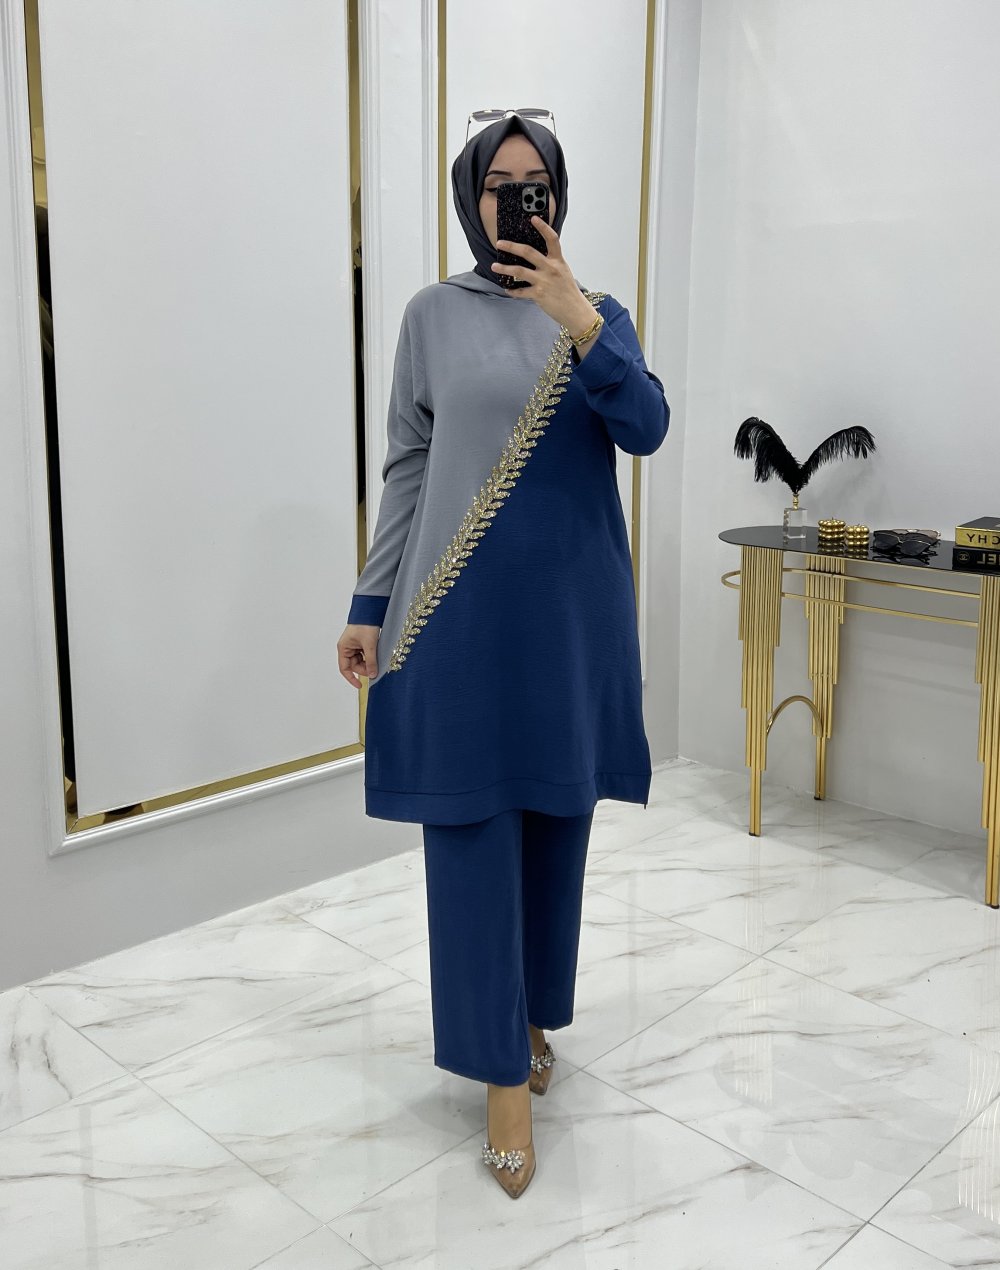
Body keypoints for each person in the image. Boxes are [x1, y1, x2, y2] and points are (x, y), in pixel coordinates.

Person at [336, 110, 669, 1198]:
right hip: (459, 618)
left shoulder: (597, 313)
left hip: (568, 621)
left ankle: (529, 1019)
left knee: (556, 829)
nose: (517, 201)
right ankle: (500, 1082)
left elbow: (647, 428)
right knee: (472, 834)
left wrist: (579, 319)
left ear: (557, 197)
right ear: (469, 196)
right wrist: (369, 603)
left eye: (536, 183)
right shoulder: (431, 314)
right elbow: (409, 462)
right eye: (498, 184)